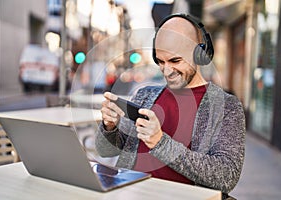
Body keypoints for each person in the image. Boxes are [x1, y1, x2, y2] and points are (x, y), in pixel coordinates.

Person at [95, 13, 245, 199]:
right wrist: (109, 127)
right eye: (160, 61)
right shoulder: (144, 95)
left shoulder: (227, 106)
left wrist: (160, 142)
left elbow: (226, 177)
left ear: (199, 54)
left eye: (175, 61)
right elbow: (106, 150)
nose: (167, 70)